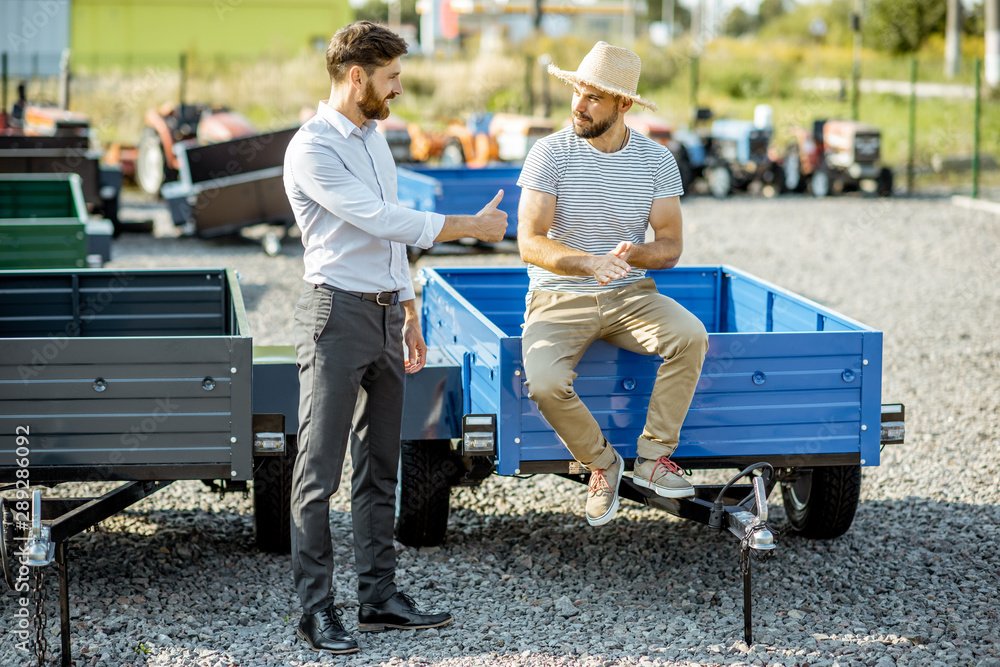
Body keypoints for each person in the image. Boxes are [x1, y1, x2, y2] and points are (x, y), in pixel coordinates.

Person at [283, 21, 508, 655]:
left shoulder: (375, 138)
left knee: (382, 468)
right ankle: (316, 610)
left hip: (383, 315)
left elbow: (388, 240)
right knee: (317, 474)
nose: (398, 89)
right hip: (334, 316)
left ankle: (378, 598)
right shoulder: (312, 148)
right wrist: (468, 226)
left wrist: (408, 307)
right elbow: (379, 218)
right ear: (357, 76)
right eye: (391, 78)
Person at [516, 41, 709, 528]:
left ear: (624, 105)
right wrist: (587, 264)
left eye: (593, 97)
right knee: (543, 383)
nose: (578, 106)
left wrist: (632, 254)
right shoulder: (550, 153)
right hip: (559, 296)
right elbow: (529, 242)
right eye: (577, 92)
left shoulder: (656, 160)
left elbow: (670, 246)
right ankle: (603, 464)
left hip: (629, 295)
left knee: (690, 336)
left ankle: (652, 461)